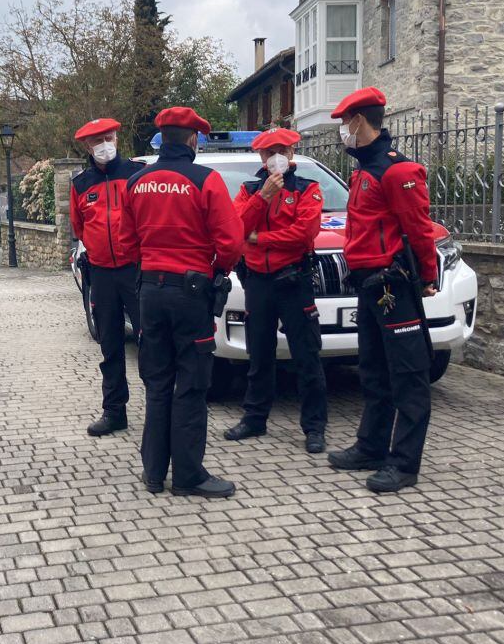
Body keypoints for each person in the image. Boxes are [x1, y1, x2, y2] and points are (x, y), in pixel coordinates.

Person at [119, 107, 244, 498]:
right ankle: (188, 476)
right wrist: (217, 268)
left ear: (162, 139)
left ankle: (153, 473)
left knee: (157, 383)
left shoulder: (136, 182)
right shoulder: (206, 180)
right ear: (193, 139)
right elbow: (230, 243)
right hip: (190, 294)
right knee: (190, 384)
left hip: (150, 293)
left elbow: (125, 243)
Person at [325, 87, 439, 494]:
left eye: (345, 123)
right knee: (373, 370)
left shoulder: (398, 172)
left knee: (408, 375)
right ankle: (370, 447)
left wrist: (428, 276)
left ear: (361, 121)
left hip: (395, 286)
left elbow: (419, 231)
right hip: (369, 286)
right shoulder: (362, 171)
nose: (343, 131)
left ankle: (404, 463)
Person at [225, 128, 328, 453]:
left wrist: (260, 239)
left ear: (292, 153)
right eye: (269, 153)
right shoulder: (250, 189)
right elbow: (236, 228)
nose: (275, 157)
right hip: (257, 280)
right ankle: (255, 418)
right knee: (259, 354)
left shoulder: (307, 189)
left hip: (294, 280)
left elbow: (304, 234)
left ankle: (314, 428)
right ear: (261, 157)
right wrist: (264, 197)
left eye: (281, 150)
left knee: (307, 356)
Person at [69, 118, 144, 437]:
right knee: (110, 344)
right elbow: (79, 228)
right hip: (101, 273)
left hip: (136, 270)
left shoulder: (136, 173)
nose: (104, 144)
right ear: (87, 147)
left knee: (150, 341)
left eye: (108, 137)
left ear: (117, 137)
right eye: (96, 141)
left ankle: (158, 407)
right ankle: (114, 411)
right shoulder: (80, 184)